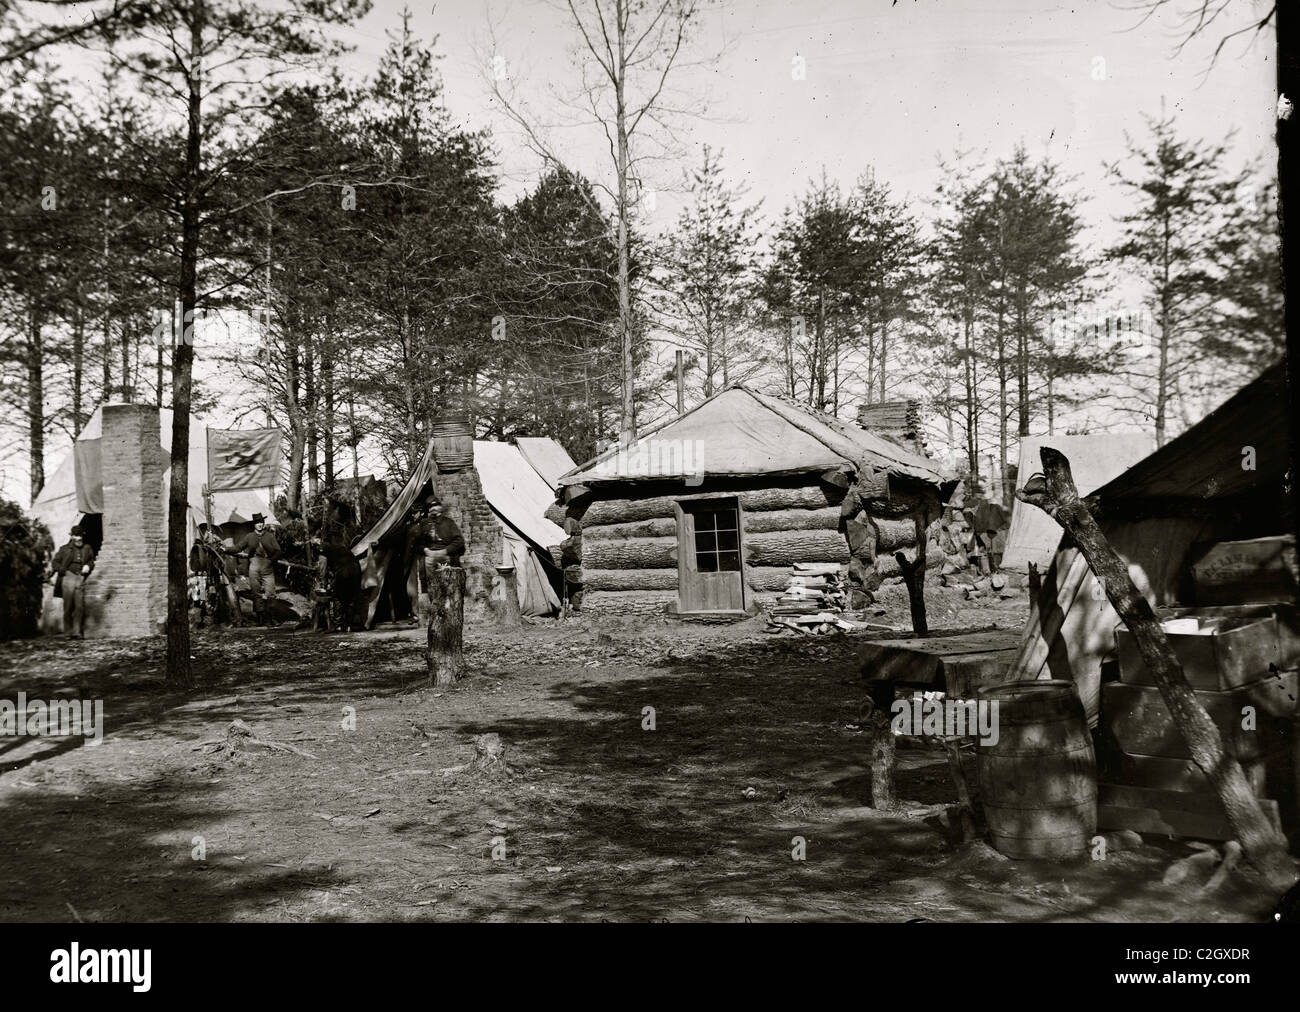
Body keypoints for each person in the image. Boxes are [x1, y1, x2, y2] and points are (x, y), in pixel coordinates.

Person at [234, 513, 282, 626]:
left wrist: (270, 561)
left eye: (261, 522)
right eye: (257, 523)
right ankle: (260, 619)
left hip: (267, 567)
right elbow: (238, 547)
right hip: (254, 567)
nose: (260, 524)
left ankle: (272, 618)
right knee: (256, 593)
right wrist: (225, 549)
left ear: (263, 523)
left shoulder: (270, 536)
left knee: (270, 592)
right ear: (254, 525)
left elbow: (278, 551)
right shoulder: (249, 536)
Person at [51, 524, 96, 638]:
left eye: (80, 535)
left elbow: (91, 560)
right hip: (68, 577)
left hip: (80, 577)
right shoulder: (64, 549)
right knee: (68, 606)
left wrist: (88, 566)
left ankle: (77, 632)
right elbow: (55, 563)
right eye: (76, 536)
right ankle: (68, 632)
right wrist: (63, 570)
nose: (78, 538)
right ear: (72, 537)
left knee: (79, 607)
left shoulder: (87, 548)